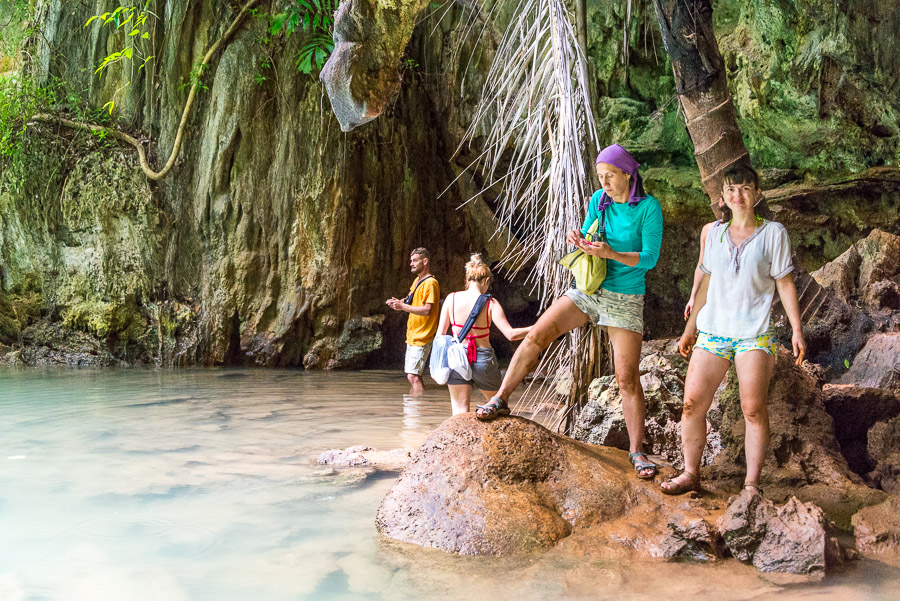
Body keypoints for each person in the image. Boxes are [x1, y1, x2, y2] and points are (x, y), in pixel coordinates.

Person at [476, 144, 664, 480]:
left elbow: (649, 257)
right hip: (589, 288)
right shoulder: (599, 201)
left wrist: (611, 253)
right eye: (600, 177)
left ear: (627, 174)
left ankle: (637, 451)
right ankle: (501, 399)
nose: (604, 182)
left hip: (625, 296)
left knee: (627, 378)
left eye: (610, 176)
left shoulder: (648, 208)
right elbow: (590, 232)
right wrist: (579, 240)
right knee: (536, 335)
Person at [660, 164, 806, 497]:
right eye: (730, 190)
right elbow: (707, 284)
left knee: (753, 408)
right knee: (692, 404)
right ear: (722, 197)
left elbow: (784, 283)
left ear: (757, 194)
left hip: (754, 333)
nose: (737, 195)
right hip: (713, 331)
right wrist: (689, 330)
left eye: (744, 188)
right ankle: (690, 473)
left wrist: (797, 330)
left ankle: (752, 485)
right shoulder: (714, 233)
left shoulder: (773, 233)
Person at [435, 254, 531, 415]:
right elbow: (511, 335)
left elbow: (440, 337)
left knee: (459, 414)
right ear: (486, 281)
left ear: (467, 280)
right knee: (497, 410)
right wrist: (535, 328)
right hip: (483, 359)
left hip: (457, 358)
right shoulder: (490, 303)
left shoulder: (451, 299)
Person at [386, 248, 440, 396]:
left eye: (415, 260)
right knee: (414, 375)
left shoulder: (431, 283)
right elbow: (409, 300)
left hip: (423, 335)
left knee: (412, 376)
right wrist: (398, 302)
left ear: (425, 261)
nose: (411, 264)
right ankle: (419, 403)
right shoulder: (417, 281)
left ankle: (416, 409)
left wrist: (402, 307)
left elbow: (427, 309)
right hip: (413, 334)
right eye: (411, 261)